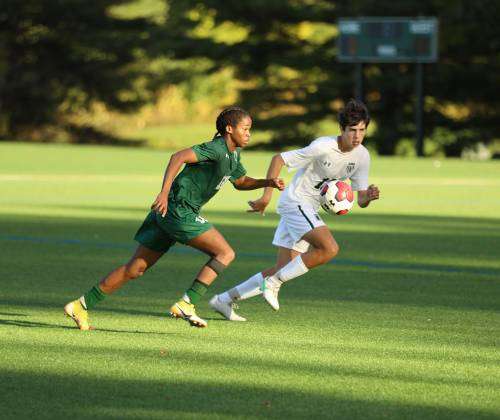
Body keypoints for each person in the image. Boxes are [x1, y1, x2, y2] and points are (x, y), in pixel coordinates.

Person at [64, 106, 284, 329]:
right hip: (179, 209)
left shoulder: (233, 154)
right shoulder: (216, 148)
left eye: (250, 129)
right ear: (229, 129)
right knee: (225, 253)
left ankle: (80, 305)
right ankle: (187, 303)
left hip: (168, 213)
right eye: (245, 128)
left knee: (135, 269)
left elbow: (240, 182)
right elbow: (178, 156)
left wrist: (268, 183)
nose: (249, 133)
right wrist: (163, 193)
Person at [210, 99, 380, 321]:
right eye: (352, 130)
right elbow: (278, 159)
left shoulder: (362, 156)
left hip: (308, 208)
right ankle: (273, 284)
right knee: (329, 249)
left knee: (284, 268)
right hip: (296, 202)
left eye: (362, 130)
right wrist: (265, 196)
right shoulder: (323, 147)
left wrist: (369, 196)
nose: (357, 136)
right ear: (342, 129)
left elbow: (360, 200)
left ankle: (223, 300)